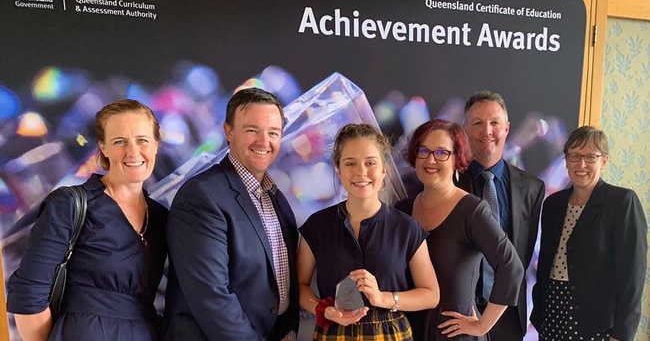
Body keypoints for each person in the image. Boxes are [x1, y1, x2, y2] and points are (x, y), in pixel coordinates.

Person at [6, 99, 168, 340]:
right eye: (119, 141)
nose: (133, 151)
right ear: (103, 147)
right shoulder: (69, 203)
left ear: (156, 144)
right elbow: (28, 297)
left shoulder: (160, 217)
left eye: (142, 140)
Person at [162, 87, 299, 340]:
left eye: (273, 132)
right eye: (252, 130)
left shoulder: (276, 198)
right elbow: (211, 297)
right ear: (228, 131)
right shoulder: (202, 195)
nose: (264, 141)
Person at [297, 123, 439, 340]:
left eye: (370, 163)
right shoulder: (317, 225)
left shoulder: (407, 227)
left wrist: (383, 298)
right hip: (334, 333)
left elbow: (430, 295)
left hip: (391, 334)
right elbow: (300, 287)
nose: (360, 172)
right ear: (339, 170)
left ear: (384, 169)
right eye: (350, 163)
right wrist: (323, 310)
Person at [395, 119, 524, 341]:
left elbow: (511, 267)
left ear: (457, 159)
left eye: (442, 152)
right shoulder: (402, 209)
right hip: (408, 331)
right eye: (423, 150)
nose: (431, 159)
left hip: (454, 335)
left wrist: (483, 325)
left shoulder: (472, 210)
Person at [531, 126, 647, 341]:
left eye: (591, 157)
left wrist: (622, 334)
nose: (581, 164)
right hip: (551, 316)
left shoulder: (621, 202)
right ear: (565, 161)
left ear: (604, 161)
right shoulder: (553, 204)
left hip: (597, 323)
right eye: (574, 156)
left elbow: (633, 275)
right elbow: (546, 262)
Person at [456, 91, 545, 340]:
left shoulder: (533, 188)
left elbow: (525, 255)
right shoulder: (448, 183)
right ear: (465, 129)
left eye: (494, 123)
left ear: (506, 128)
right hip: (459, 312)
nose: (487, 131)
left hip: (509, 314)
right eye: (477, 123)